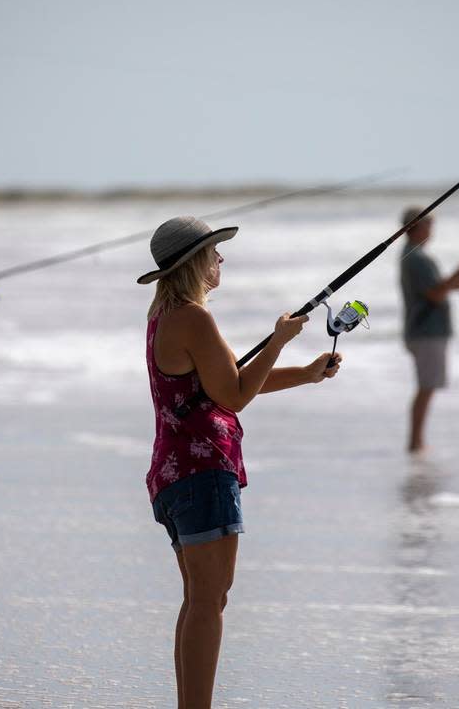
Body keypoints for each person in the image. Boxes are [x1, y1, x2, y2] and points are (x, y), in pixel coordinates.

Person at [138, 216, 342, 709]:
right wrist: (279, 340)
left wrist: (305, 374)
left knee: (200, 599)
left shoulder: (166, 318)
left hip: (174, 473)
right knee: (209, 600)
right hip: (202, 474)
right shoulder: (194, 318)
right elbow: (233, 395)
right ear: (195, 263)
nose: (221, 259)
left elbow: (223, 384)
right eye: (214, 252)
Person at [399, 207, 459, 455]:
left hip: (422, 330)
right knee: (426, 387)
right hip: (426, 331)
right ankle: (415, 443)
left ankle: (417, 441)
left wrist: (453, 284)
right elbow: (434, 294)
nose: (431, 230)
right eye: (428, 225)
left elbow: (434, 289)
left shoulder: (412, 256)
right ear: (415, 228)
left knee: (427, 386)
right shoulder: (416, 258)